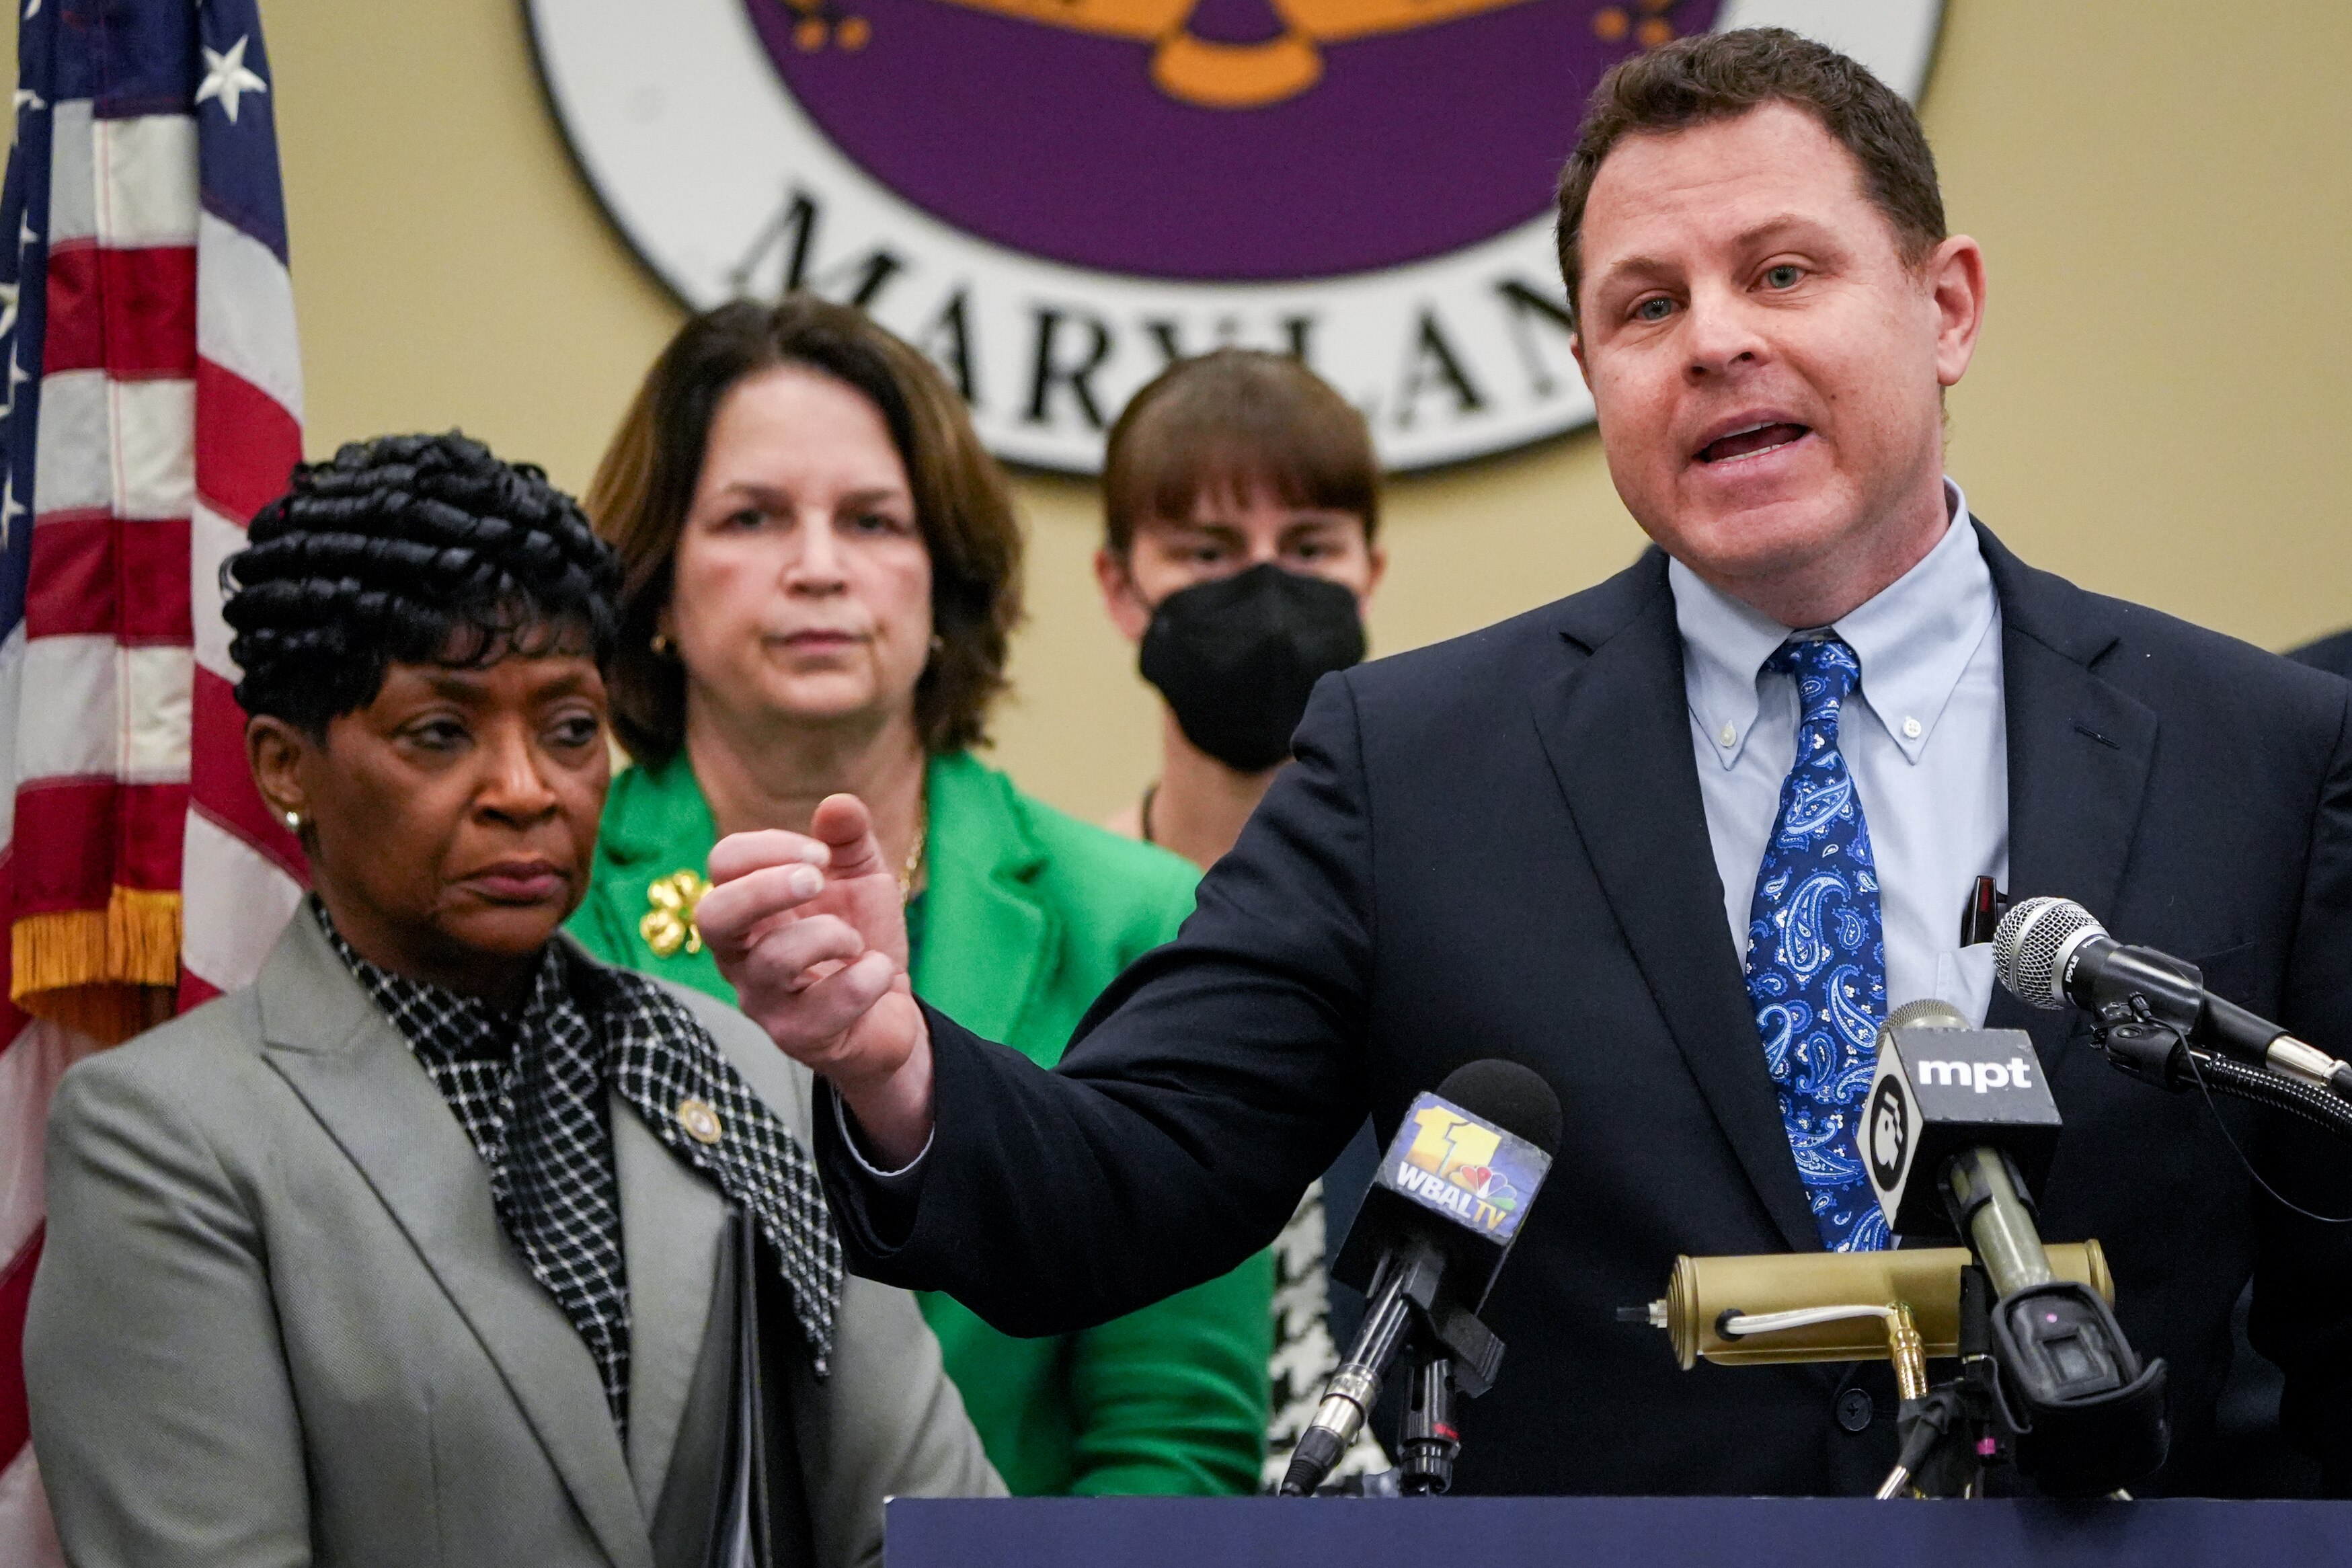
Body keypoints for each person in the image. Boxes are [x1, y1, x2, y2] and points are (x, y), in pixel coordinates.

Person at [696, 29, 2352, 1498]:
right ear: (1589, 374)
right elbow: (1133, 1172)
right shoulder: (1412, 764)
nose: (1712, 342)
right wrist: (898, 1066)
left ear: (1947, 306)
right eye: (1646, 305)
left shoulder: (2255, 753)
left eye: (1782, 274)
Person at [23, 433, 1001, 1568]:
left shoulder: (741, 1070)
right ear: (286, 766)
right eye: (440, 734)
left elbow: (933, 1525)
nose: (527, 790)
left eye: (570, 729)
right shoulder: (166, 1135)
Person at [563, 295, 1273, 1498]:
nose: (819, 568)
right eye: (751, 517)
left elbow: (1172, 1445)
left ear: (941, 585)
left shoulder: (1137, 917)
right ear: (657, 586)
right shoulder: (550, 903)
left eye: (872, 520)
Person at [1092, 348, 1389, 1485]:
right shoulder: (1072, 913)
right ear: (1120, 587)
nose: (1264, 593)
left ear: (1369, 570)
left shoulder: (1449, 909)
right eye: (1207, 554)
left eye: (1307, 548)